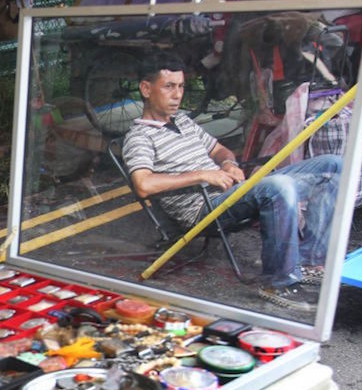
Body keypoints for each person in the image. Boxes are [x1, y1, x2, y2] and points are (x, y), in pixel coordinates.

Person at [122, 53, 341, 311]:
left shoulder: (183, 121)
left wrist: (228, 163)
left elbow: (220, 150)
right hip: (203, 209)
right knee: (279, 187)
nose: (177, 94)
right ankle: (278, 283)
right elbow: (143, 184)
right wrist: (202, 175)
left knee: (332, 166)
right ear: (146, 89)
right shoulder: (139, 137)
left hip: (230, 193)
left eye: (180, 86)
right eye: (169, 86)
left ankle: (309, 261)